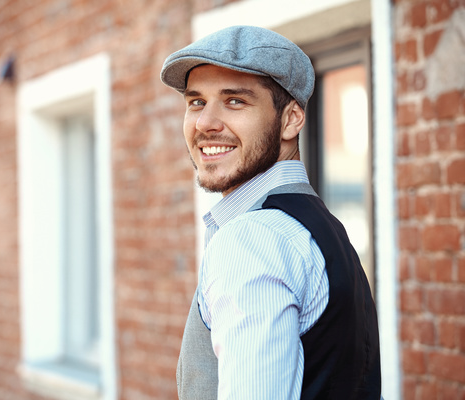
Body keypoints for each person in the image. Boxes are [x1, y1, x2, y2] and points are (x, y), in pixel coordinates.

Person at [160, 25, 381, 400]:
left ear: (292, 119)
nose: (204, 123)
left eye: (235, 101)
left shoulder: (254, 239)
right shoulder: (320, 228)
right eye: (196, 102)